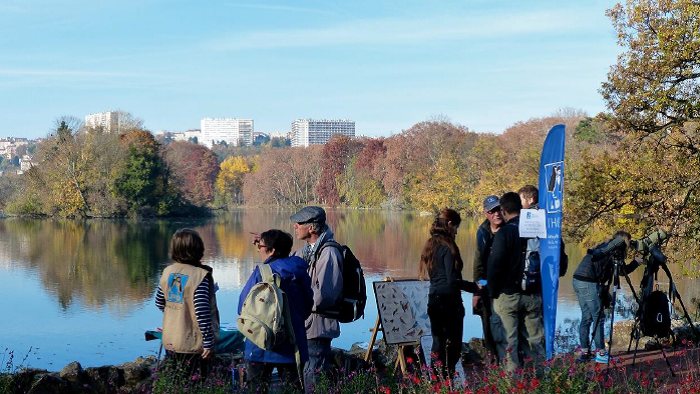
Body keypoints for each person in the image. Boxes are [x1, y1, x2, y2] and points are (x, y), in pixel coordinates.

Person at [239, 229, 314, 392]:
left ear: (272, 250)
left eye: (260, 246)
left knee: (256, 389)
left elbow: (242, 307)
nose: (259, 249)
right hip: (291, 344)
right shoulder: (299, 271)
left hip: (259, 343)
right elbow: (307, 306)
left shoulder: (261, 273)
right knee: (293, 389)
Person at [419, 208, 480, 378]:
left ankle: (436, 382)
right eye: (456, 228)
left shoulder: (431, 244)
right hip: (449, 302)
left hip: (434, 299)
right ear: (450, 224)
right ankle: (448, 380)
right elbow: (451, 280)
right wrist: (474, 287)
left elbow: (437, 277)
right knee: (454, 347)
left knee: (437, 343)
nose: (456, 232)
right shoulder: (448, 247)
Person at [487, 192, 543, 372]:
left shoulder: (505, 233)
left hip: (508, 296)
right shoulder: (538, 228)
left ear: (503, 211)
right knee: (534, 342)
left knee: (509, 344)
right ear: (520, 208)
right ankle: (540, 384)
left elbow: (494, 266)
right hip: (533, 294)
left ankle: (513, 386)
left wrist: (492, 293)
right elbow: (561, 263)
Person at [290, 206, 343, 392]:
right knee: (307, 377)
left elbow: (325, 296)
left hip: (318, 328)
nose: (295, 226)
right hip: (306, 326)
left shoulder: (329, 253)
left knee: (314, 380)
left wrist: (298, 295)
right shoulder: (306, 251)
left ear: (312, 228)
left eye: (299, 223)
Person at [155, 228, 220, 377]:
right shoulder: (199, 275)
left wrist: (176, 311)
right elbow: (201, 312)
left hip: (171, 340)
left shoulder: (168, 272)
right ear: (199, 248)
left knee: (177, 382)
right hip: (193, 344)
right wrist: (208, 343)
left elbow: (159, 302)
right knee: (195, 383)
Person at [572, 231, 641, 363]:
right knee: (598, 317)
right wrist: (636, 262)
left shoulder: (604, 246)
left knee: (586, 317)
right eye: (628, 242)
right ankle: (601, 353)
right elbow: (621, 271)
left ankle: (585, 351)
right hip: (588, 281)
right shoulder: (614, 249)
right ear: (623, 241)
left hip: (577, 279)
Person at [472, 195, 504, 362]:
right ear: (486, 213)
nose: (496, 214)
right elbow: (479, 265)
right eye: (492, 211)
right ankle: (493, 362)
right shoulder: (482, 232)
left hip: (506, 289)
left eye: (499, 209)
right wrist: (477, 291)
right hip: (486, 285)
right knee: (488, 326)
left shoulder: (511, 229)